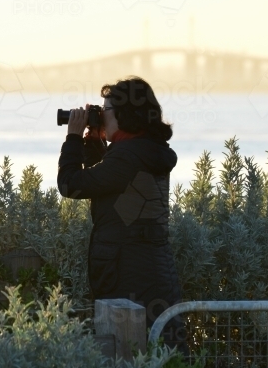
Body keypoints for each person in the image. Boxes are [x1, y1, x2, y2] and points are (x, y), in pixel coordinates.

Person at [57, 76, 187, 352]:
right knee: (161, 350)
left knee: (130, 352)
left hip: (129, 272)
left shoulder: (128, 156)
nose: (102, 117)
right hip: (147, 269)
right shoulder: (143, 152)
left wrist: (72, 137)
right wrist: (93, 142)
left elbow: (70, 184)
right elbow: (107, 186)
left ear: (126, 114)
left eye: (105, 111)